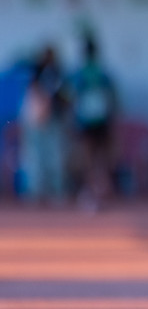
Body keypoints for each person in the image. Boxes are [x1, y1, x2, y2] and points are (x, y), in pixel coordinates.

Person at [68, 34, 118, 211]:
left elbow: (72, 97)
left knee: (88, 158)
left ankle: (90, 192)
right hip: (102, 120)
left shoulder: (79, 73)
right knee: (101, 158)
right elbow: (112, 97)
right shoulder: (103, 72)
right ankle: (102, 191)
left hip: (86, 121)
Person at [19, 45, 67, 203]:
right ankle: (34, 192)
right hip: (35, 122)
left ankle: (55, 192)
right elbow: (33, 98)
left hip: (52, 122)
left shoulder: (57, 74)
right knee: (34, 159)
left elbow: (63, 97)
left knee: (53, 157)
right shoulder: (36, 74)